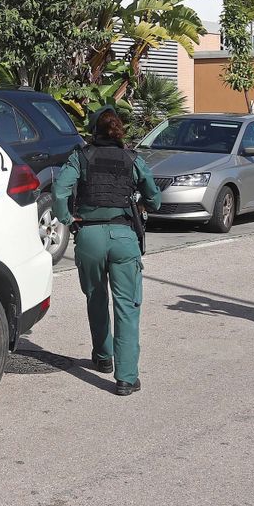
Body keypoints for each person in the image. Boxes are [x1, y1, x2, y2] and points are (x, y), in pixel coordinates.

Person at [51, 110, 161, 395]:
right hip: (124, 236)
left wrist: (65, 219)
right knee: (127, 306)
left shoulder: (81, 157)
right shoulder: (132, 158)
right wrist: (146, 202)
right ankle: (126, 377)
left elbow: (60, 191)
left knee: (96, 297)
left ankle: (102, 357)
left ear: (93, 130)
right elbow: (154, 197)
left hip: (89, 236)